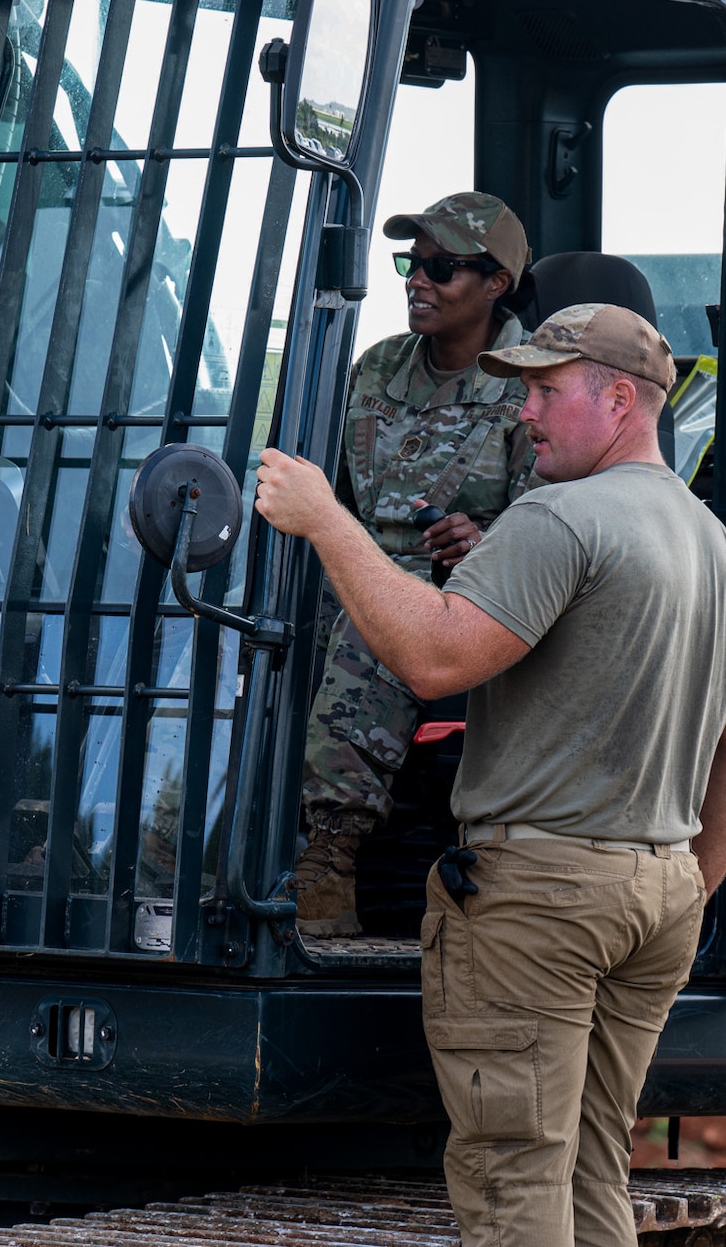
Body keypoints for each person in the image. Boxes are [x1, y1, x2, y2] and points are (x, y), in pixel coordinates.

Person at [255, 302, 726, 1247]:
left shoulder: (559, 517)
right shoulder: (720, 549)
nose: (522, 413)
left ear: (620, 400)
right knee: (590, 1173)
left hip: (540, 896)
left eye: (544, 390)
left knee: (511, 1180)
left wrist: (328, 522)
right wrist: (682, 884)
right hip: (654, 895)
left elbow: (431, 658)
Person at [294, 191, 538, 938]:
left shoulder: (533, 387)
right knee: (252, 625)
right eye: (411, 263)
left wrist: (487, 536)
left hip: (479, 598)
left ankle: (327, 857)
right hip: (364, 577)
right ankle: (176, 839)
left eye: (441, 267)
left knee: (378, 628)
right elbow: (329, 501)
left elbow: (558, 532)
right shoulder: (375, 372)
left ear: (496, 283)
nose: (416, 280)